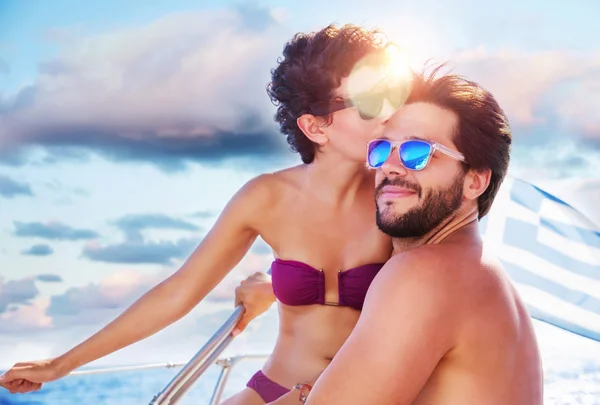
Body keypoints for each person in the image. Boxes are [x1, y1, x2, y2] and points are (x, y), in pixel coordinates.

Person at [0, 24, 412, 404]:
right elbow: (179, 292)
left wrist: (273, 286)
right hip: (272, 392)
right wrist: (62, 364)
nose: (389, 110)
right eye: (369, 101)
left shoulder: (400, 197)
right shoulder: (267, 196)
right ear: (315, 127)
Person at [295, 65, 543, 404]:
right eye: (381, 149)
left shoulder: (425, 273)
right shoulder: (479, 273)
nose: (391, 166)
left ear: (475, 181)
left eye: (417, 153)